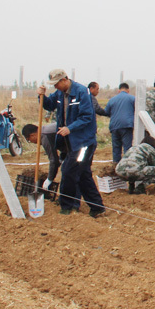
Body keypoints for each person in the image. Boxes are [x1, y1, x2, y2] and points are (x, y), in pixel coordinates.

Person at [39, 69, 105, 217]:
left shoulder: (82, 92)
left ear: (64, 80)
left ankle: (67, 205)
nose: (54, 87)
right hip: (69, 142)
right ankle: (97, 207)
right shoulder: (59, 94)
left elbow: (87, 116)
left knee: (69, 171)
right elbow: (49, 105)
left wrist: (70, 128)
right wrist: (41, 96)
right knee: (82, 174)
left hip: (83, 143)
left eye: (56, 84)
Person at [21, 122, 64, 191]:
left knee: (68, 173)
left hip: (78, 145)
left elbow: (53, 160)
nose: (31, 142)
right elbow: (63, 145)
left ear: (32, 135)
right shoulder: (45, 131)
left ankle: (68, 200)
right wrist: (62, 158)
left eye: (29, 140)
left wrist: (49, 179)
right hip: (74, 146)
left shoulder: (45, 136)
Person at [104, 82, 135, 163]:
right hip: (127, 126)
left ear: (119, 90)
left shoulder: (112, 100)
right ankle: (126, 166)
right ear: (128, 90)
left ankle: (115, 167)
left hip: (114, 126)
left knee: (116, 148)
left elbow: (106, 112)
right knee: (127, 148)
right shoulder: (132, 99)